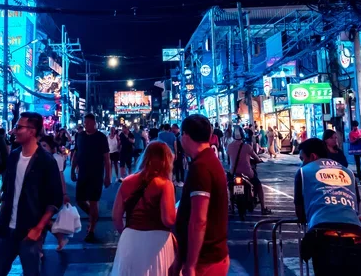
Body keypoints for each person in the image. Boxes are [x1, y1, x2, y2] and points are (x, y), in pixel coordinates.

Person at [0, 112, 63, 276]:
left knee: (31, 272)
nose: (14, 131)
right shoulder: (14, 156)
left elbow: (54, 200)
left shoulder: (46, 161)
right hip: (5, 230)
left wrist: (38, 228)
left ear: (32, 131)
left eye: (19, 127)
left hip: (29, 232)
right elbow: (8, 193)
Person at [294, 137, 361, 276]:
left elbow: (300, 210)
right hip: (355, 232)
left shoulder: (303, 172)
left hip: (322, 233)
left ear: (313, 156)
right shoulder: (347, 172)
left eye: (302, 159)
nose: (302, 163)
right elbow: (356, 205)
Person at [111, 141, 177, 276]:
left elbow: (116, 217)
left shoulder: (127, 182)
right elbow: (168, 220)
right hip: (157, 241)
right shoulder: (165, 184)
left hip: (130, 238)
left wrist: (127, 233)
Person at [176, 114, 229, 276]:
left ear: (185, 136)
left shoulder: (201, 167)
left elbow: (199, 220)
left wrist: (191, 264)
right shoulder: (208, 160)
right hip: (210, 256)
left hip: (205, 261)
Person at [71, 113, 112, 242]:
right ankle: (93, 216)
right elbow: (76, 154)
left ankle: (91, 229)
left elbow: (107, 158)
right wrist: (72, 170)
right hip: (82, 173)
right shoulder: (80, 136)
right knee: (79, 200)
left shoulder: (101, 137)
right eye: (85, 123)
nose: (86, 125)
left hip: (96, 174)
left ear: (94, 123)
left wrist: (108, 176)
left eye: (88, 122)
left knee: (94, 201)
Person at [226, 126, 272, 214]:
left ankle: (231, 207)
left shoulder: (229, 147)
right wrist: (259, 160)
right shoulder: (247, 147)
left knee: (230, 186)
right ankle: (263, 208)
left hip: (233, 172)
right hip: (247, 172)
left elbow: (229, 158)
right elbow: (256, 158)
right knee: (258, 185)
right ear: (243, 135)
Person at [40, 134, 70, 250]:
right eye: (40, 145)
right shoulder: (40, 158)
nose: (42, 148)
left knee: (43, 219)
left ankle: (41, 246)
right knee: (43, 220)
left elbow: (61, 177)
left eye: (44, 145)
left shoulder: (56, 158)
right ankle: (59, 239)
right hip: (42, 194)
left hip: (52, 195)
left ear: (51, 147)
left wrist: (64, 194)